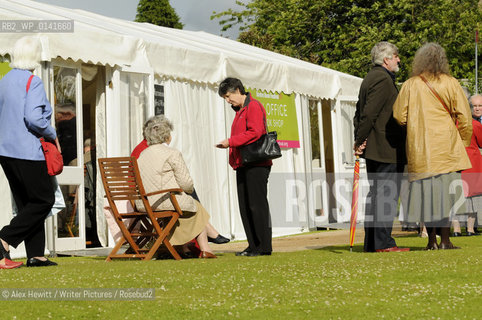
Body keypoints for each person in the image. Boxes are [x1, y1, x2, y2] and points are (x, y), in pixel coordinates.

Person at [393, 42, 472, 250]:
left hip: (420, 150)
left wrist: (415, 125)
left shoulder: (410, 84)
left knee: (425, 198)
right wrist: (462, 143)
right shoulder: (451, 82)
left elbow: (399, 116)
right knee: (446, 197)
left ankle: (431, 241)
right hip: (446, 148)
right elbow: (465, 117)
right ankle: (445, 240)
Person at [0, 36, 59, 268]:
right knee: (44, 200)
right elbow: (34, 118)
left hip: (5, 151)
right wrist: (52, 133)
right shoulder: (32, 81)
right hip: (27, 150)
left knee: (28, 203)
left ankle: (36, 254)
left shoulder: (3, 80)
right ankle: (5, 238)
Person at [132, 116, 230, 245]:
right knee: (193, 205)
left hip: (142, 201)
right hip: (158, 200)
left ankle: (187, 247)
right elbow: (185, 183)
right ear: (166, 135)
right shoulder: (170, 153)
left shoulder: (141, 154)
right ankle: (206, 244)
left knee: (187, 202)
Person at [353, 41, 408, 253]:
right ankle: (383, 243)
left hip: (377, 147)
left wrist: (360, 138)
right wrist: (360, 139)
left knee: (377, 195)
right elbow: (367, 113)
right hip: (385, 148)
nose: (398, 59)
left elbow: (361, 113)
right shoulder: (382, 79)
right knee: (385, 195)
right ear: (386, 59)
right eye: (396, 56)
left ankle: (373, 243)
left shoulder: (371, 78)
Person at [216, 77, 273, 257]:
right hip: (243, 163)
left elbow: (255, 132)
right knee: (245, 206)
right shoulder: (240, 110)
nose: (227, 100)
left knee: (257, 205)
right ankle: (253, 244)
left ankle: (263, 246)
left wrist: (230, 142)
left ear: (238, 90)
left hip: (256, 163)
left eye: (228, 96)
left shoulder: (253, 106)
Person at [453, 94, 482, 237]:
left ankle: (456, 230)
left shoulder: (451, 125)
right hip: (472, 164)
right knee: (473, 198)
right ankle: (470, 229)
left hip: (455, 163)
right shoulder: (475, 124)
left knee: (456, 197)